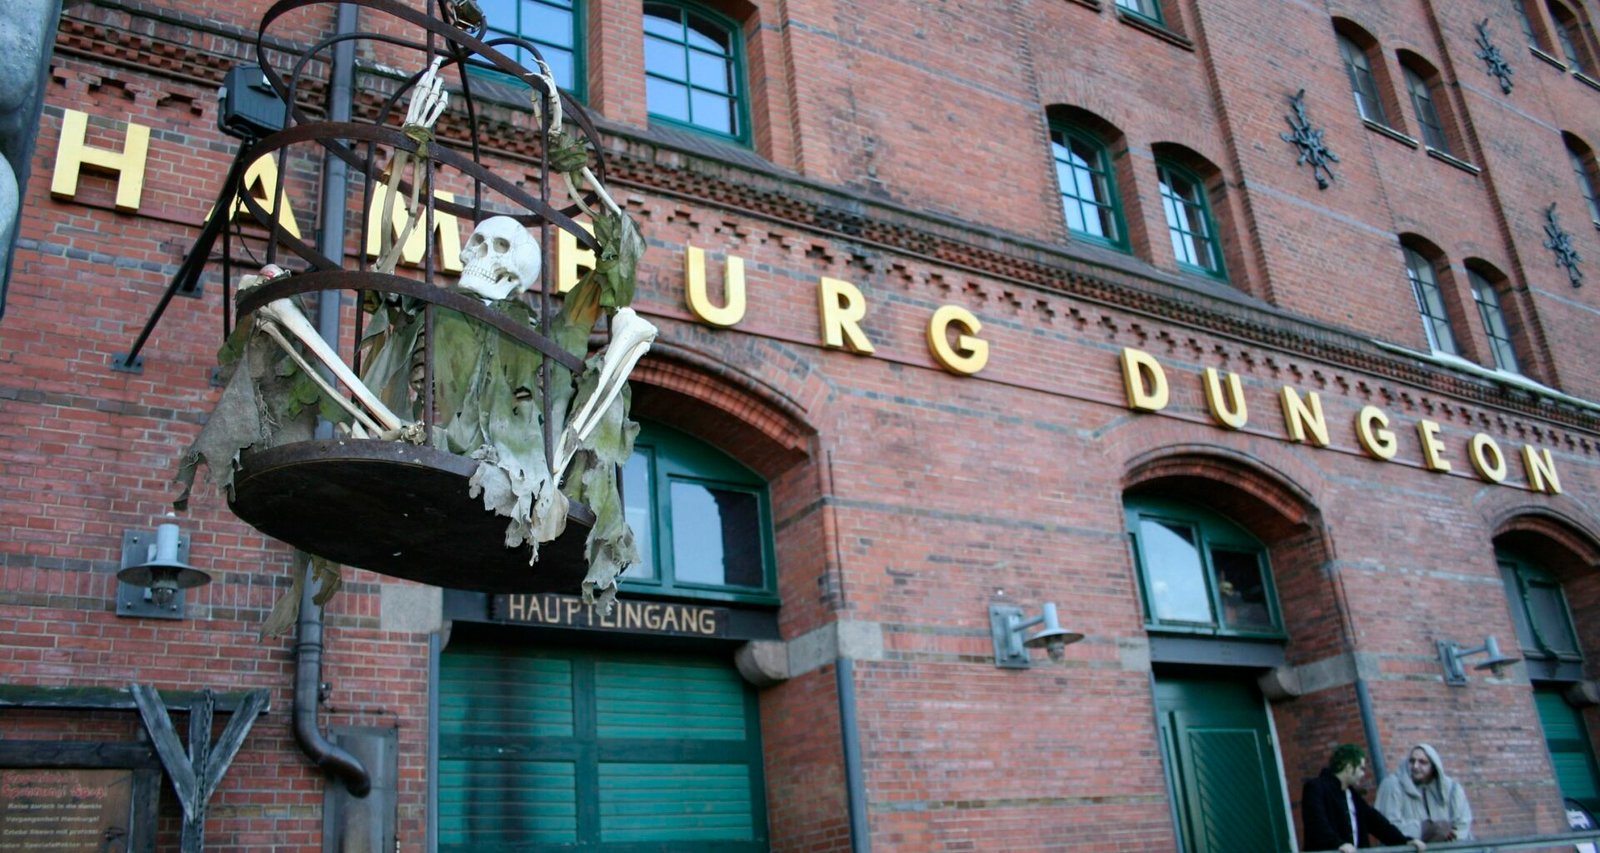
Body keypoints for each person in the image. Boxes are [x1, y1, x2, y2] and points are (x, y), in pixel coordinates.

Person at [1302, 744, 1426, 852]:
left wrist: (1404, 841)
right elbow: (1316, 823)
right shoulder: (1316, 788)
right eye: (1361, 768)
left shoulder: (1352, 795)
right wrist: (1337, 844)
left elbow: (1377, 823)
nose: (1363, 774)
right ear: (1349, 767)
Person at [1375, 744, 1473, 842]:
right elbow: (1385, 826)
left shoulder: (1452, 789)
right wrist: (1424, 829)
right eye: (1412, 761)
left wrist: (1445, 837)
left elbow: (1462, 826)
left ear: (1434, 766)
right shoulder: (1392, 785)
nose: (1415, 766)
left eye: (1422, 762)